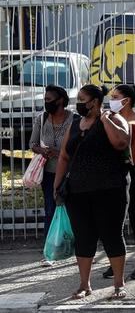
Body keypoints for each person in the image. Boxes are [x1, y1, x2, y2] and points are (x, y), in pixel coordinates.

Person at [53, 84, 131, 299]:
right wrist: (57, 185)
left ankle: (118, 284)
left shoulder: (114, 119)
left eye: (81, 99)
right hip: (78, 191)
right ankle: (84, 285)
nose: (77, 103)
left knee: (111, 235)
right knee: (84, 237)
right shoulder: (76, 124)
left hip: (110, 190)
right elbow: (64, 156)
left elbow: (121, 142)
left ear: (95, 102)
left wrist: (105, 119)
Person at [101, 84, 135, 280]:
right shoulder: (109, 120)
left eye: (116, 97)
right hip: (114, 174)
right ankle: (114, 262)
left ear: (128, 100)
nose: (112, 100)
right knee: (113, 220)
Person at [29, 85, 76, 266]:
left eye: (49, 100)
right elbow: (32, 143)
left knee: (76, 210)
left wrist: (60, 153)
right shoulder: (41, 119)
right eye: (45, 99)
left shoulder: (74, 119)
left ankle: (80, 248)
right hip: (49, 173)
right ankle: (50, 251)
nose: (46, 103)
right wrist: (42, 150)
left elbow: (79, 144)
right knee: (50, 210)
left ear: (61, 101)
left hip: (71, 173)